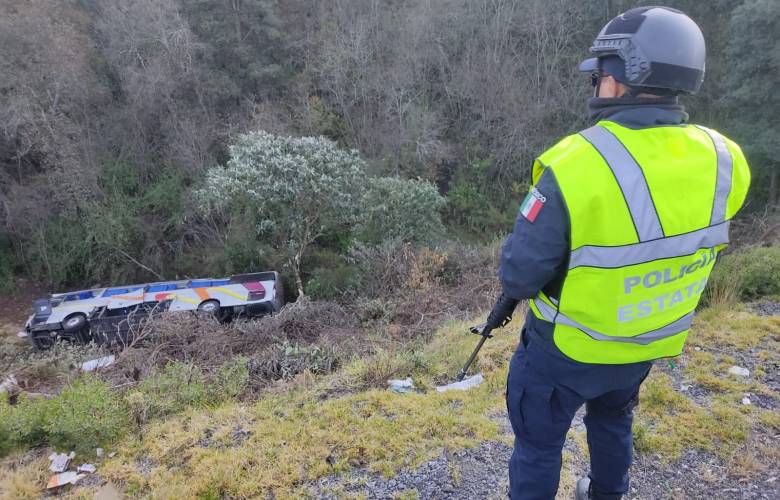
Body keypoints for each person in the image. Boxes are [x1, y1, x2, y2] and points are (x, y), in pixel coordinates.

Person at [483, 6, 751, 500]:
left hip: (566, 347)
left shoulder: (574, 162)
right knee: (613, 419)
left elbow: (520, 277)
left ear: (624, 76)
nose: (598, 84)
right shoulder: (724, 157)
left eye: (603, 74)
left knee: (539, 445)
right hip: (647, 340)